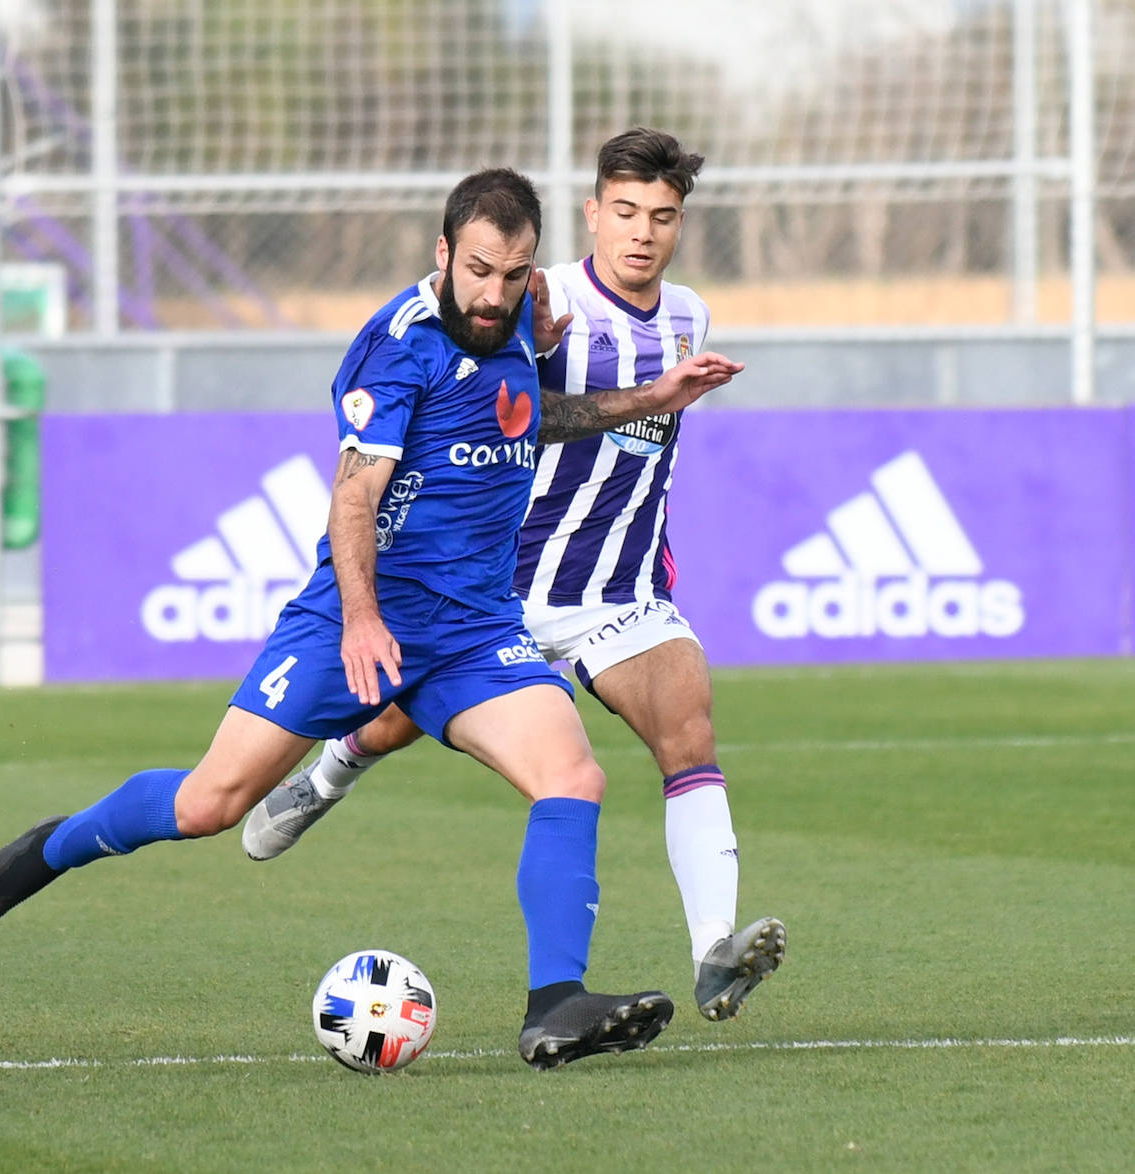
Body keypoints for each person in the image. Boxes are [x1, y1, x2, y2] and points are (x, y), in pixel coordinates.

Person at [0, 166, 744, 1070]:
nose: (494, 294)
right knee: (210, 803)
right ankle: (45, 852)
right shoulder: (395, 347)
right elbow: (353, 498)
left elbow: (527, 416)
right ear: (443, 253)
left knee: (573, 776)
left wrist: (646, 401)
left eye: (514, 275)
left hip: (475, 628)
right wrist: (363, 622)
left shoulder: (522, 317)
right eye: (478, 270)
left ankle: (554, 1005)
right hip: (354, 619)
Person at [242, 128, 786, 1025]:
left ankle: (715, 951)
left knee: (689, 732)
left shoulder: (690, 316)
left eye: (662, 216)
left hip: (620, 590)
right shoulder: (535, 296)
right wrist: (536, 353)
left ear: (681, 224)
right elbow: (486, 396)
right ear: (591, 213)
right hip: (504, 586)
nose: (642, 233)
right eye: (624, 212)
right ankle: (329, 771)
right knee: (386, 726)